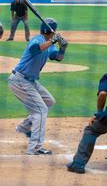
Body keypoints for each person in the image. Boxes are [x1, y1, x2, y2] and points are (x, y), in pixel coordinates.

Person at [8, 18, 68, 155]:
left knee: (49, 102)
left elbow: (57, 57)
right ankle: (34, 147)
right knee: (40, 111)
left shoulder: (49, 44)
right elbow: (35, 50)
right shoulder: (37, 39)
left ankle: (24, 127)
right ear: (51, 31)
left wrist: (63, 48)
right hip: (20, 80)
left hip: (30, 82)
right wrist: (53, 41)